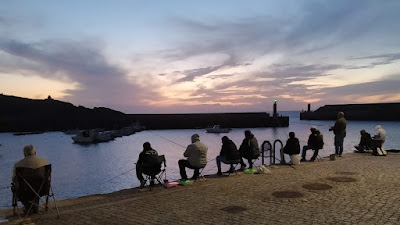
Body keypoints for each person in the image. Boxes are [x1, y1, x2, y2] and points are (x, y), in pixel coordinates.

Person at [12, 145, 49, 214]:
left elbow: (14, 179)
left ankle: (29, 207)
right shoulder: (44, 162)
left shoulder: (18, 165)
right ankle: (33, 207)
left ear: (24, 154)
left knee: (16, 187)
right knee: (36, 184)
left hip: (24, 191)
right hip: (42, 189)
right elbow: (47, 178)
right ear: (35, 152)